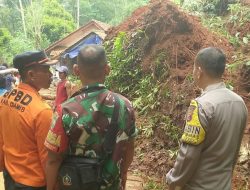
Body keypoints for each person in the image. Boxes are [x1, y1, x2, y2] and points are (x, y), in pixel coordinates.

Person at [45, 44, 136, 190]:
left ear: (75, 70)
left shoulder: (65, 110)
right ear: (107, 69)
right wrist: (123, 174)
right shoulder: (125, 105)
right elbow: (129, 147)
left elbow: (53, 159)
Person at [166, 47, 248, 190]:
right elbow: (234, 153)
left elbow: (188, 155)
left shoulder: (202, 106)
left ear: (199, 71)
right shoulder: (239, 103)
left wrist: (173, 180)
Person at [0, 50, 57, 190]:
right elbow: (47, 159)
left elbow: (2, 137)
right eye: (46, 69)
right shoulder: (42, 111)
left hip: (10, 175)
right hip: (33, 183)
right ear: (31, 74)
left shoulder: (5, 99)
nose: (50, 74)